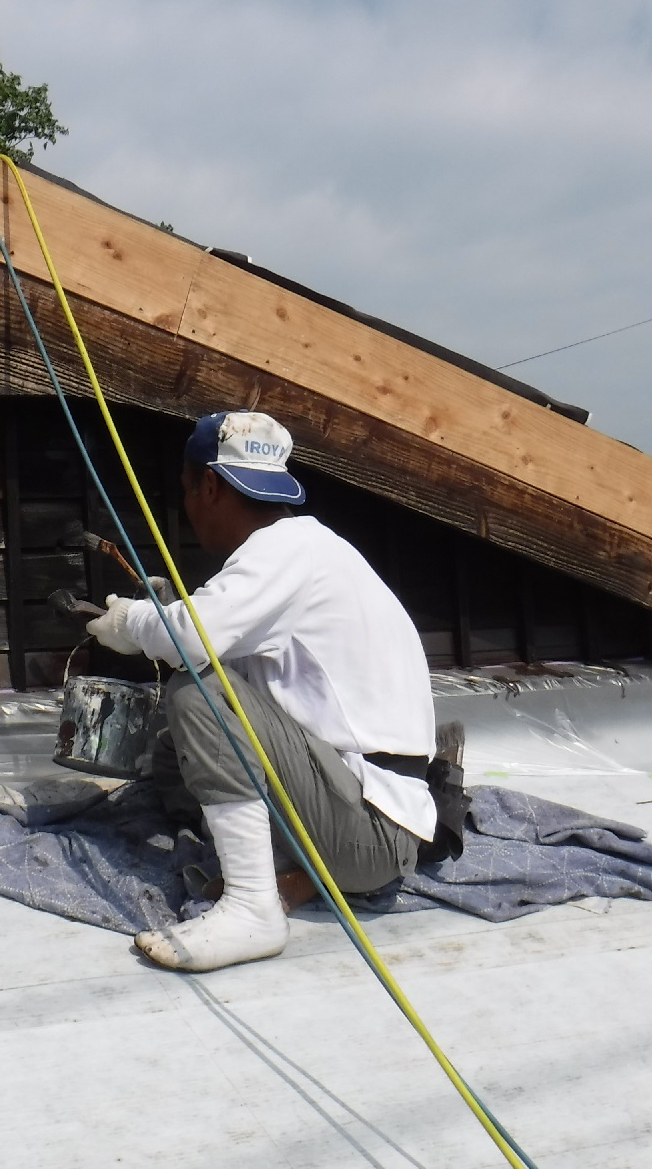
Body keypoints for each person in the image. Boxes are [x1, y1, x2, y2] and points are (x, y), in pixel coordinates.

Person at [84, 410, 437, 972]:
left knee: (198, 694)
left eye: (187, 491)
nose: (189, 506)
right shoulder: (308, 548)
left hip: (371, 830)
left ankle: (252, 907)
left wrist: (132, 622)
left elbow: (192, 643)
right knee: (178, 745)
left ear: (208, 485)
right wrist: (165, 610)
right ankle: (290, 874)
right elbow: (229, 644)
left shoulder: (285, 550)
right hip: (366, 812)